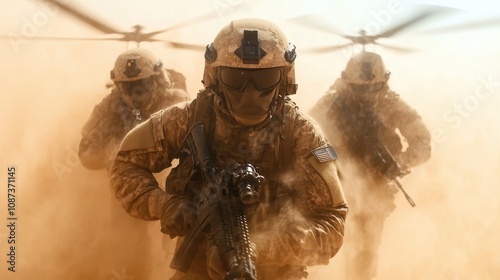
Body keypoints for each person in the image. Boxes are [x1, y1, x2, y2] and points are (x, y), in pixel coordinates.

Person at [110, 18, 348, 280]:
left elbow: (332, 224)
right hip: (197, 265)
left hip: (278, 270)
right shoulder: (190, 118)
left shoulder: (302, 134)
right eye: (236, 79)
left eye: (265, 79)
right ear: (215, 77)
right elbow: (126, 164)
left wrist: (261, 248)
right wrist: (164, 205)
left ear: (283, 79)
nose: (250, 93)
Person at [309, 51, 431, 280]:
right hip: (333, 191)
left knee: (364, 258)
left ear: (383, 84)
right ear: (347, 84)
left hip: (375, 193)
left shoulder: (391, 103)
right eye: (358, 90)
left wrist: (399, 163)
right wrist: (335, 160)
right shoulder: (332, 102)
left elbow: (423, 144)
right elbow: (306, 145)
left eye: (371, 90)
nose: (365, 97)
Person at [78, 48, 190, 279]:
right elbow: (86, 153)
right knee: (128, 250)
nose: (134, 94)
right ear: (118, 86)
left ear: (157, 80)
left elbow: (201, 139)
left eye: (142, 85)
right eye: (127, 87)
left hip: (172, 187)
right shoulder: (109, 107)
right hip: (128, 188)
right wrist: (117, 153)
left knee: (179, 242)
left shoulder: (176, 100)